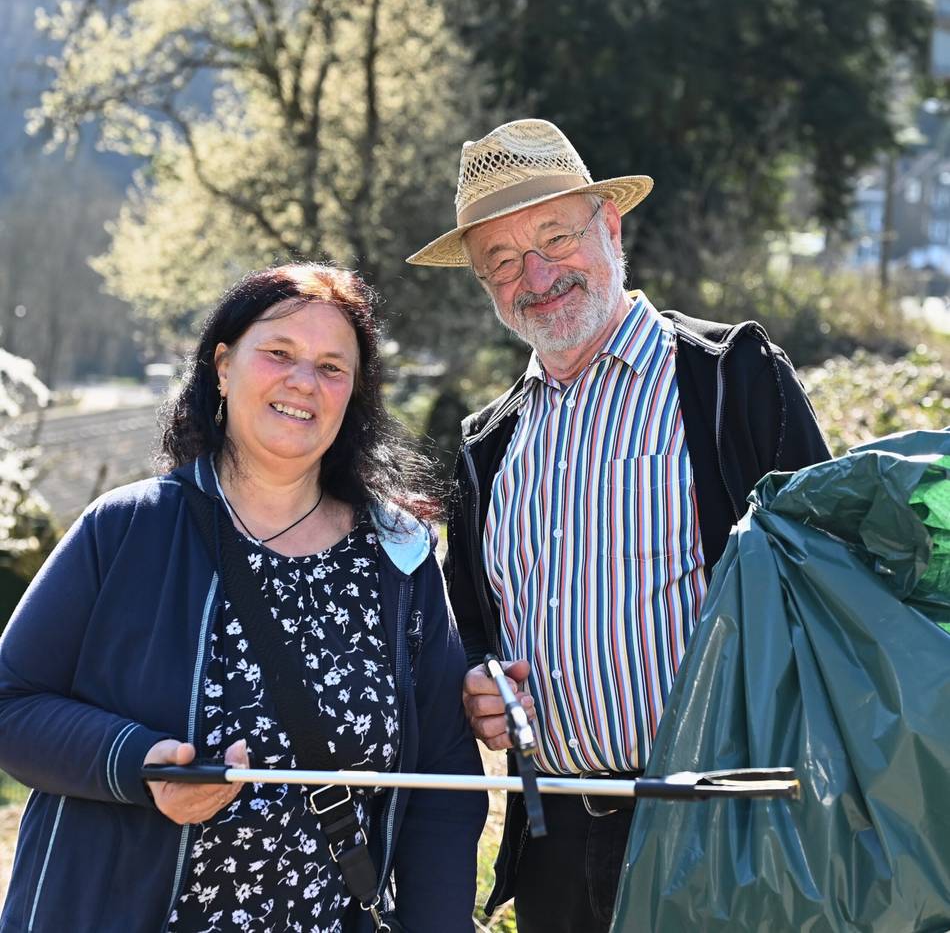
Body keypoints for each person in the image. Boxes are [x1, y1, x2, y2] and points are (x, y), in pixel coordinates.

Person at [406, 119, 831, 932]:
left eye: (555, 237)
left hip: (728, 836)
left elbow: (834, 600)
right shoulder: (485, 451)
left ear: (611, 224)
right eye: (502, 260)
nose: (537, 275)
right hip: (557, 846)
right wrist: (484, 689)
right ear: (486, 287)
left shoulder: (728, 383)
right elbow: (482, 647)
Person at [0, 263, 486, 933]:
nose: (303, 382)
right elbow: (11, 701)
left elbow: (445, 783)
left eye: (331, 367)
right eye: (279, 353)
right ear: (223, 367)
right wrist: (135, 761)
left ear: (356, 395)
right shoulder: (127, 530)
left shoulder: (398, 557)